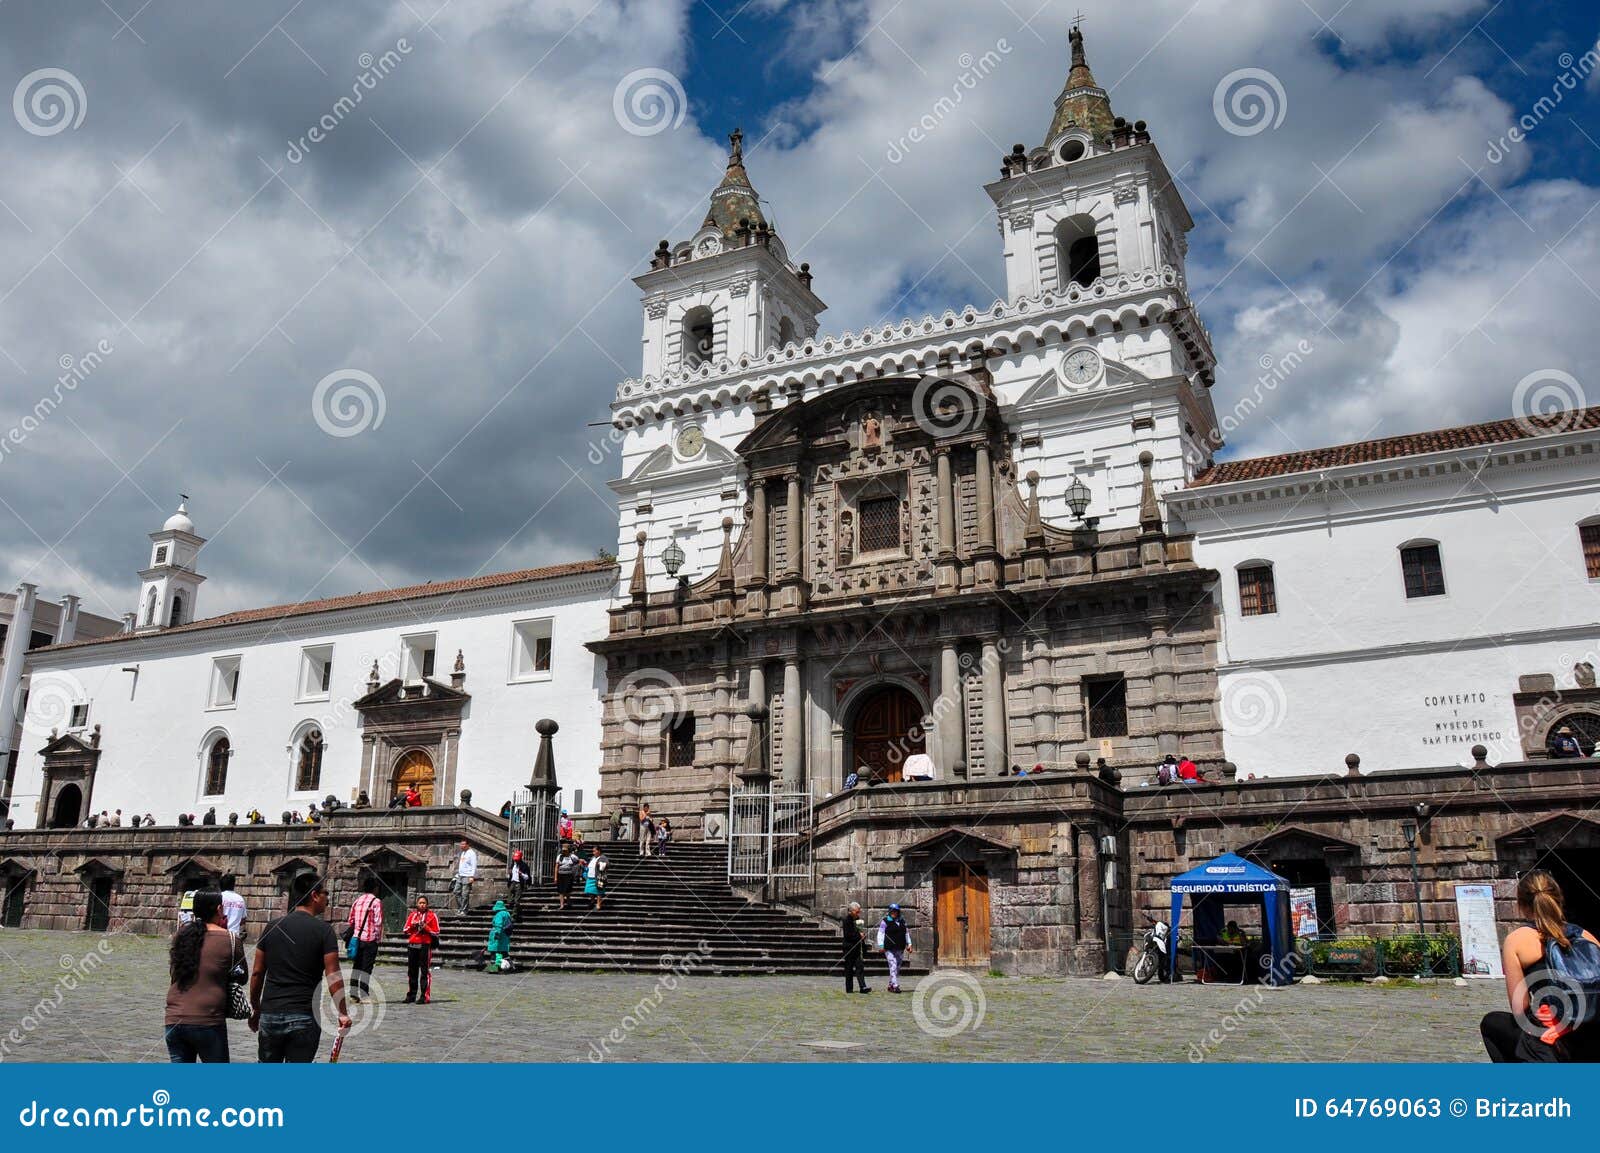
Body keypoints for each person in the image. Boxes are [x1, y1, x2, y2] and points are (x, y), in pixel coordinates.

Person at [1481, 870, 1600, 1062]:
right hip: (1593, 1036)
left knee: (1492, 1023)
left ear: (1521, 906)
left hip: (1553, 1042)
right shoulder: (1587, 937)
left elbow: (1520, 1009)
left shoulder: (1517, 941)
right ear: (1559, 898)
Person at [248, 874, 350, 1063]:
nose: (328, 898)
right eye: (325, 893)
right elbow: (333, 976)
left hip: (271, 1013)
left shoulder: (272, 927)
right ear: (314, 895)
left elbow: (257, 973)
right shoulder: (324, 931)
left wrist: (256, 1008)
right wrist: (342, 1012)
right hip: (304, 1015)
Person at [164, 890, 241, 1063]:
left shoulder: (181, 936)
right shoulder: (230, 939)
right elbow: (241, 976)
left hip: (174, 1018)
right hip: (208, 1020)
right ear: (220, 909)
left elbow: (174, 973)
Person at [346, 877, 384, 1003]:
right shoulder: (376, 901)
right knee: (366, 968)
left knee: (356, 966)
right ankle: (364, 995)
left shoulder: (357, 901)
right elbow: (378, 922)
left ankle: (353, 993)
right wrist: (377, 938)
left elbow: (350, 920)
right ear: (375, 888)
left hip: (357, 938)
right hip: (370, 939)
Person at [403, 896, 440, 1004]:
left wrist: (426, 928)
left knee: (424, 971)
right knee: (412, 971)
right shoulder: (412, 915)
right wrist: (413, 925)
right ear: (417, 904)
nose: (422, 905)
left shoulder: (432, 916)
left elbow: (436, 931)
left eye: (424, 903)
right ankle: (411, 995)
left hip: (425, 945)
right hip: (413, 944)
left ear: (427, 904)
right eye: (420, 903)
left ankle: (424, 996)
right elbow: (405, 929)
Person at [876, 903, 912, 993]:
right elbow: (881, 933)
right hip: (889, 948)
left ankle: (890, 985)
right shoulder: (885, 921)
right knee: (893, 965)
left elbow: (906, 933)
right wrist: (881, 945)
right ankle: (895, 986)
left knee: (897, 967)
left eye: (895, 911)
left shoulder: (902, 921)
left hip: (900, 947)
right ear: (889, 911)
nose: (894, 913)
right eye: (892, 911)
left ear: (898, 912)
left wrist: (909, 944)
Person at [841, 902, 871, 993]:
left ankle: (863, 987)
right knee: (849, 969)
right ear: (851, 911)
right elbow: (848, 935)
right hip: (849, 948)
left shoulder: (858, 920)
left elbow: (860, 931)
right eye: (857, 912)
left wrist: (863, 936)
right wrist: (859, 935)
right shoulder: (846, 920)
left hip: (858, 948)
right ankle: (849, 989)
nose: (858, 913)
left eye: (859, 912)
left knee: (860, 967)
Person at [485, 899, 513, 971]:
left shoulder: (499, 914)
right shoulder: (507, 913)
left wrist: (497, 934)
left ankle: (493, 969)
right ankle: (511, 967)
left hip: (498, 936)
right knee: (504, 952)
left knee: (494, 952)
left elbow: (498, 925)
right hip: (505, 935)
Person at [452, 839, 478, 913]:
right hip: (460, 875)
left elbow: (474, 866)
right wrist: (457, 875)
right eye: (461, 844)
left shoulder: (471, 853)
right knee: (456, 891)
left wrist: (472, 876)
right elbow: (462, 865)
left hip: (467, 876)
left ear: (467, 845)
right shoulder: (463, 853)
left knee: (465, 894)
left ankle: (464, 910)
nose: (461, 846)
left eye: (463, 844)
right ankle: (461, 907)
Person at [219, 873, 247, 941]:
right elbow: (243, 919)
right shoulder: (240, 899)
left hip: (220, 935)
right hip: (234, 937)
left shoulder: (219, 896)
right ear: (233, 885)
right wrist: (235, 923)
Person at [554, 843, 581, 910]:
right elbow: (556, 867)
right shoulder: (559, 856)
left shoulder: (572, 856)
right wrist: (555, 877)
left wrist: (576, 869)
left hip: (569, 875)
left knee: (567, 890)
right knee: (560, 891)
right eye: (563, 850)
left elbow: (579, 862)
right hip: (561, 874)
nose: (564, 851)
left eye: (565, 850)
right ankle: (562, 905)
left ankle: (568, 903)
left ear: (568, 850)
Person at [585, 845, 608, 910]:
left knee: (599, 891)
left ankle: (598, 904)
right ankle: (592, 901)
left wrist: (600, 864)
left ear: (599, 851)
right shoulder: (593, 858)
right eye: (593, 851)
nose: (593, 853)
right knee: (590, 891)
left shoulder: (603, 857)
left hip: (599, 877)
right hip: (590, 877)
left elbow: (607, 864)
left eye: (594, 851)